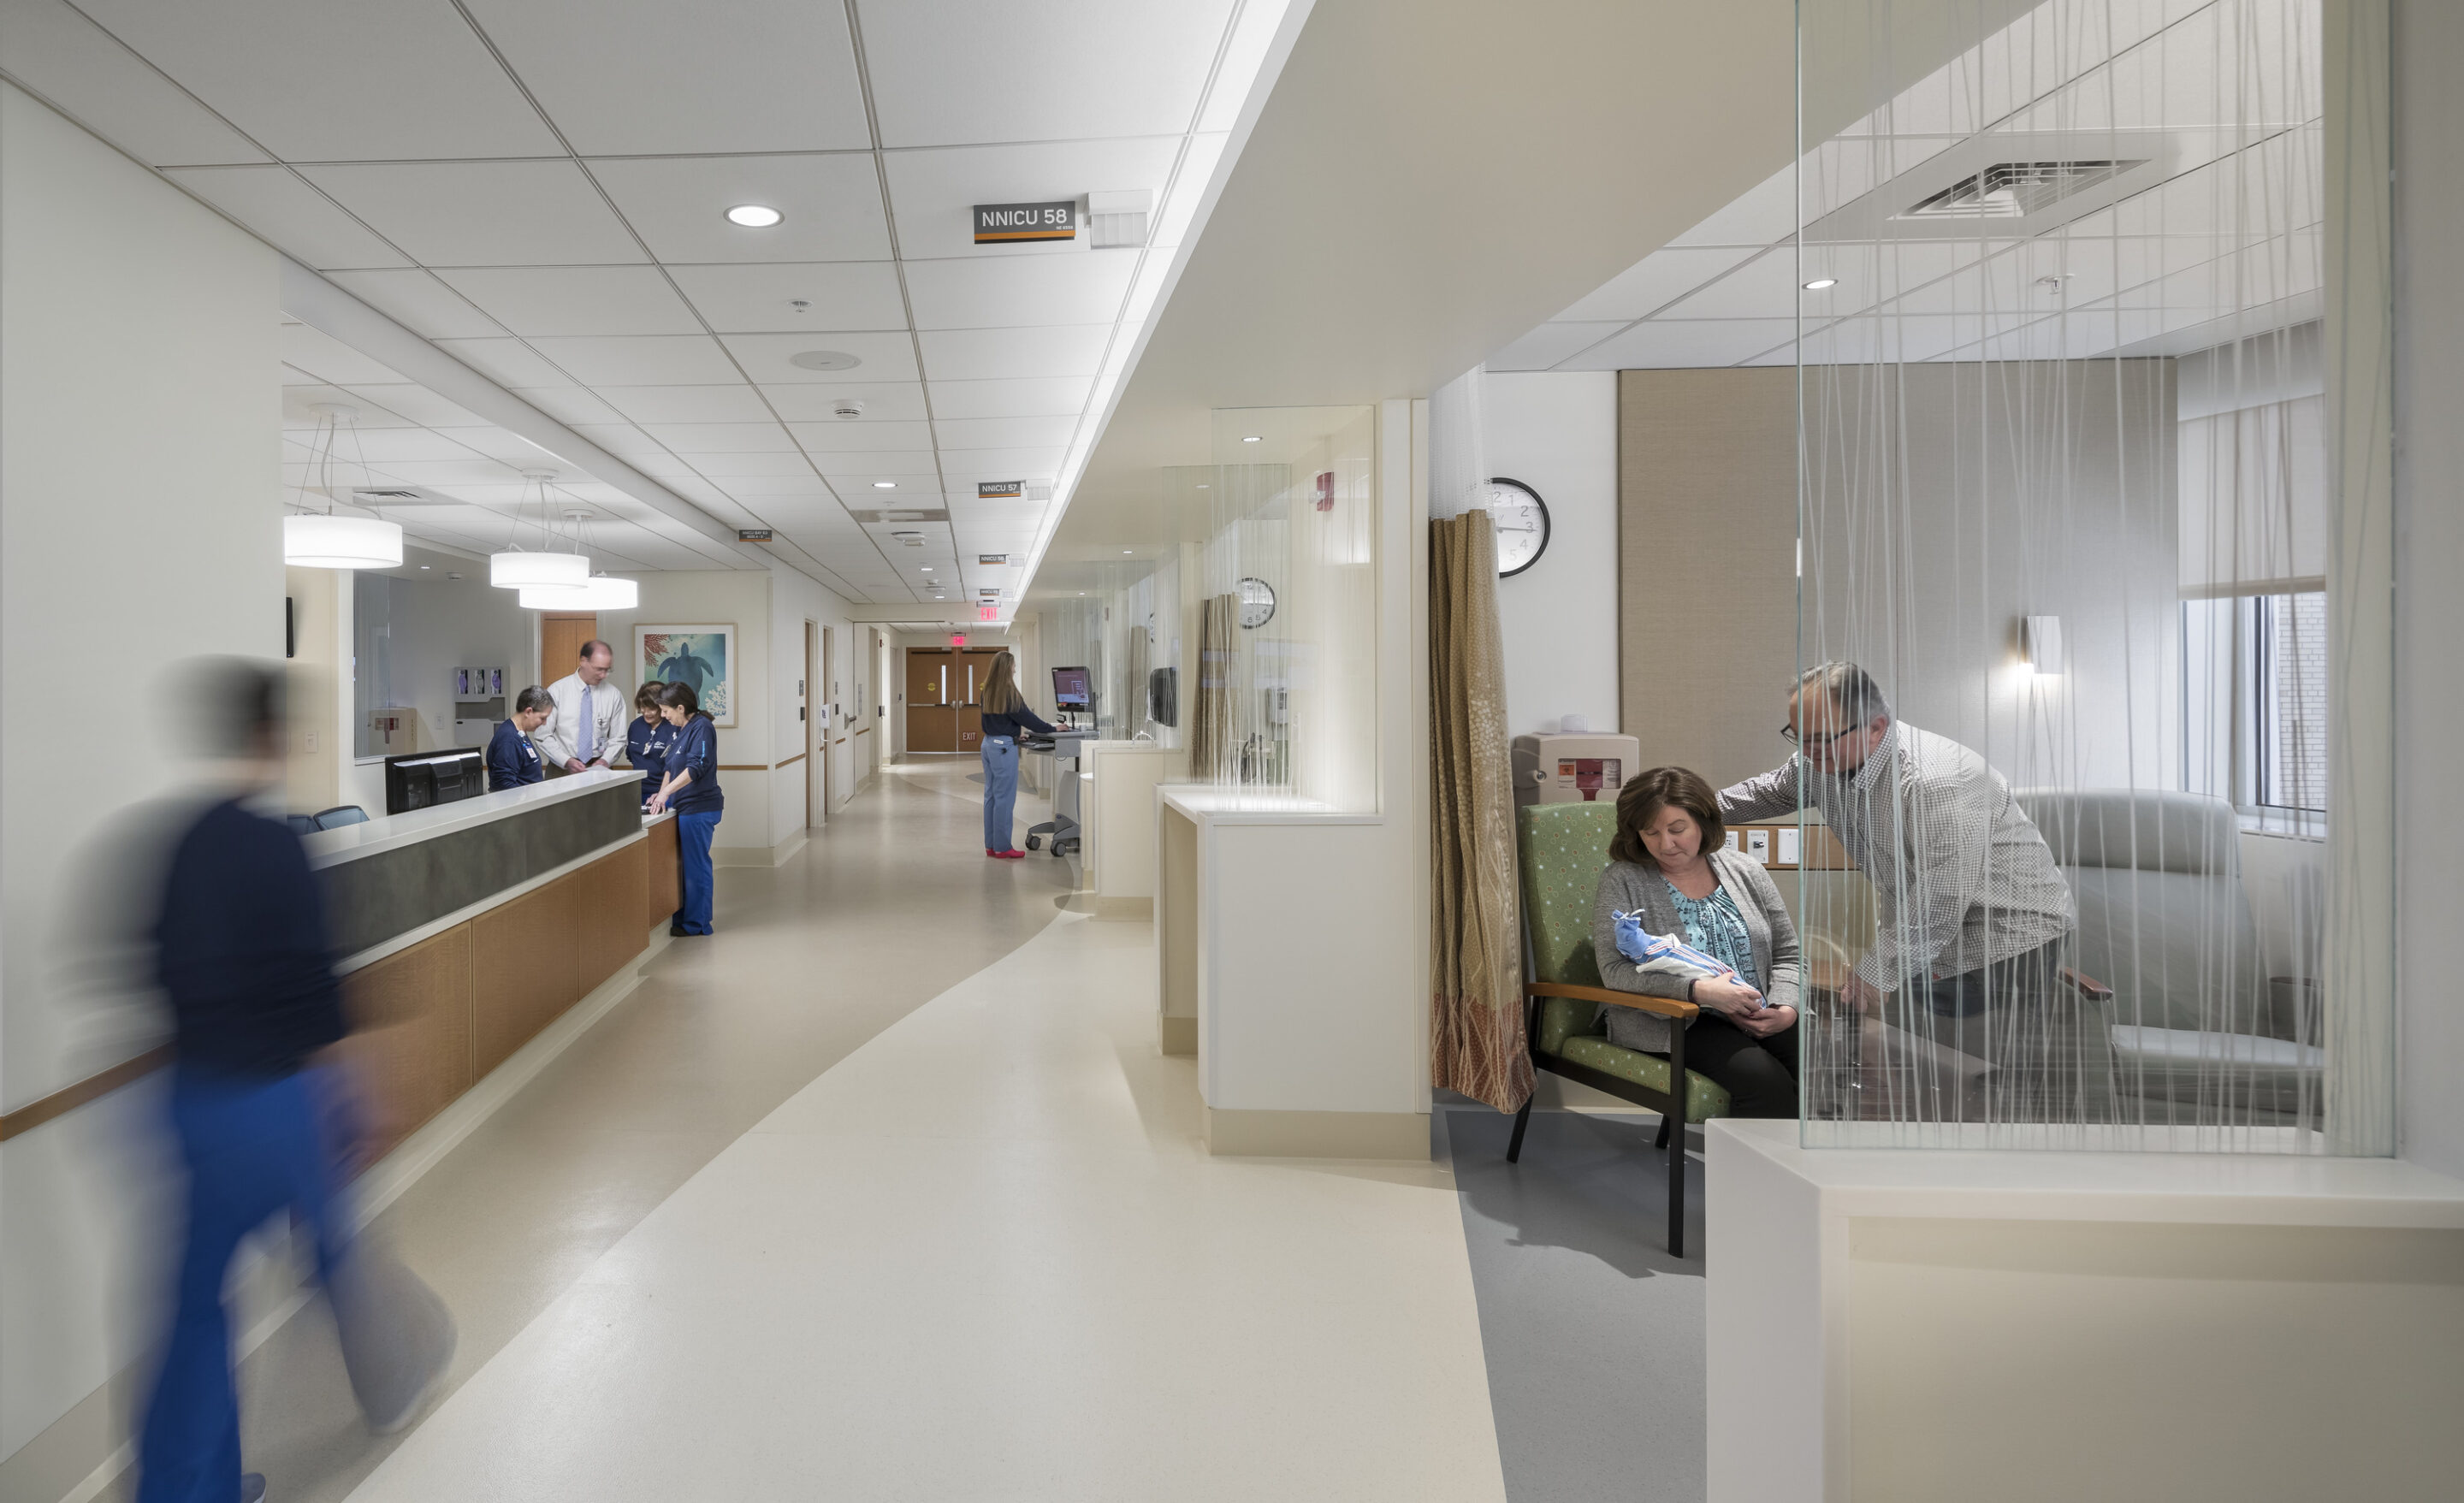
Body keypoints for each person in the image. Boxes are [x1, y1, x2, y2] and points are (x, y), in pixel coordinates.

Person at [138, 661, 452, 1503]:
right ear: (273, 737)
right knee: (339, 1253)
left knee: (192, 1309)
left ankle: (180, 1488)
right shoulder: (276, 846)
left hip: (187, 1097)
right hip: (277, 1104)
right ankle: (400, 1380)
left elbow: (151, 971)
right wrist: (366, 1093)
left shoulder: (177, 843)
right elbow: (319, 993)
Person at [1718, 661, 2076, 1059]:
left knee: (1892, 1031)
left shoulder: (1938, 781)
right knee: (1866, 1018)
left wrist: (1877, 973)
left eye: (1820, 739)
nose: (1807, 752)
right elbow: (1766, 793)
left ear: (1876, 727)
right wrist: (1684, 811)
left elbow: (1941, 898)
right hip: (1937, 931)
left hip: (2007, 937)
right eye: (1798, 738)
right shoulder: (1820, 763)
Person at [1590, 766, 1803, 1117]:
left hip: (1758, 1008)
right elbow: (1615, 972)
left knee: (1820, 1071)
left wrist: (1786, 1008)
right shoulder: (1623, 880)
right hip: (1677, 1019)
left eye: (1677, 829)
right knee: (1765, 1083)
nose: (1665, 844)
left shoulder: (1745, 869)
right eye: (1651, 832)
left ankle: (1808, 1170)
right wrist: (1700, 992)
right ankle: (1753, 1173)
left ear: (1703, 822)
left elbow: (1788, 954)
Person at [647, 681, 721, 937]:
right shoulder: (681, 729)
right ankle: (683, 917)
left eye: (666, 711)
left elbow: (696, 767)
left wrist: (667, 793)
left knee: (695, 866)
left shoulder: (703, 728)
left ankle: (698, 925)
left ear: (680, 707)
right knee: (681, 866)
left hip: (699, 808)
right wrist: (661, 794)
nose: (663, 716)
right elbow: (671, 766)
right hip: (682, 806)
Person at [975, 651, 1056, 860]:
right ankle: (1003, 847)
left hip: (989, 744)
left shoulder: (988, 690)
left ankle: (991, 845)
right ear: (1006, 668)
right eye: (1013, 666)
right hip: (1003, 747)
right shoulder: (1008, 691)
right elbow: (1027, 718)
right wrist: (1053, 729)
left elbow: (999, 720)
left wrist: (1012, 735)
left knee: (991, 795)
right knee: (1005, 798)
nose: (1015, 669)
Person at [536, 639, 627, 777]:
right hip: (562, 769)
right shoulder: (557, 691)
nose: (603, 675)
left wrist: (605, 760)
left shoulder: (613, 695)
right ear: (583, 661)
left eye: (607, 670)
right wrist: (566, 761)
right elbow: (543, 735)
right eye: (599, 669)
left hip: (600, 770)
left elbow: (618, 738)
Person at [486, 684, 553, 792]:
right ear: (528, 712)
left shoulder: (520, 733)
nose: (544, 723)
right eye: (542, 718)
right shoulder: (509, 738)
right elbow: (504, 785)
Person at [622, 680, 669, 806]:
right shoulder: (635, 726)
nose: (646, 713)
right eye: (643, 707)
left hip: (665, 793)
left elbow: (678, 765)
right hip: (638, 791)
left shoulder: (673, 727)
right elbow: (632, 756)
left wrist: (663, 793)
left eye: (652, 709)